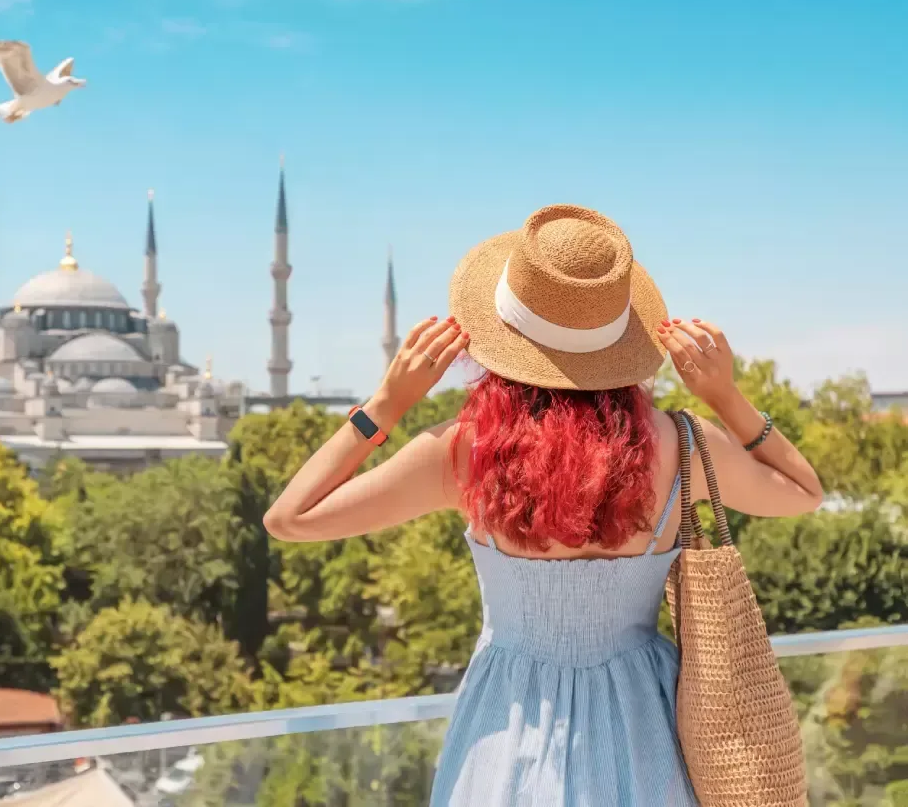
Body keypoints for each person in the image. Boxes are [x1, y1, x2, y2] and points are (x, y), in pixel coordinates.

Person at [263, 205, 823, 806]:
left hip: (506, 725)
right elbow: (805, 493)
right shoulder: (679, 445)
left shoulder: (463, 453)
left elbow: (289, 519)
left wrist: (386, 404)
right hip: (647, 724)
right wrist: (726, 396)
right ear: (620, 341)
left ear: (503, 337)